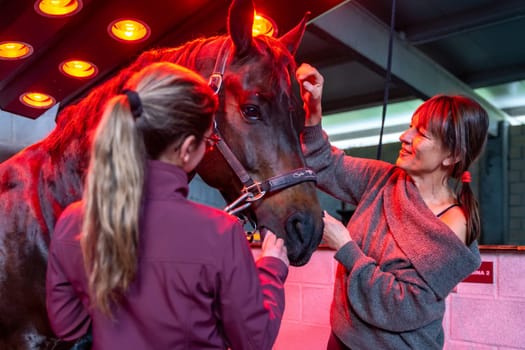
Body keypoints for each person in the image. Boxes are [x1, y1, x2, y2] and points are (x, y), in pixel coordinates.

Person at [46, 62, 289, 350]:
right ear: (187, 149)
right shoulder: (221, 233)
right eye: (207, 142)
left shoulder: (73, 221)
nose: (206, 148)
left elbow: (68, 325)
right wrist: (272, 268)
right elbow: (254, 341)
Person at [296, 63, 488, 350]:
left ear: (451, 156)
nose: (405, 136)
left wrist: (346, 247)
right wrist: (313, 109)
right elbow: (322, 163)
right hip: (342, 340)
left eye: (422, 134)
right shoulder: (384, 180)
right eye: (411, 126)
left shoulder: (452, 224)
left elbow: (404, 306)